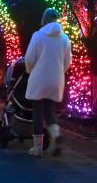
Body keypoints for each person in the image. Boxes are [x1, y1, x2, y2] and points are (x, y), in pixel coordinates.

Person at [23, 8, 72, 157]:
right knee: (49, 110)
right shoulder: (65, 38)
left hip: (39, 78)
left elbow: (30, 58)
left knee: (37, 110)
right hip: (56, 80)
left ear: (44, 19)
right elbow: (68, 61)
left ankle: (37, 148)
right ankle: (56, 136)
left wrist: (30, 70)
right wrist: (59, 72)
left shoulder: (38, 36)